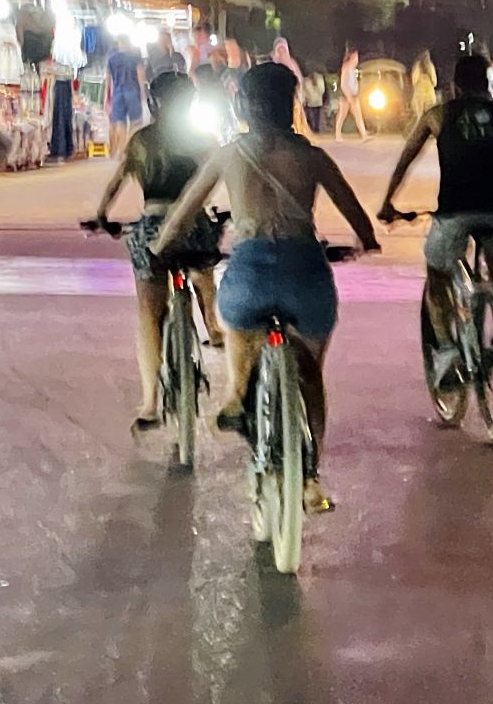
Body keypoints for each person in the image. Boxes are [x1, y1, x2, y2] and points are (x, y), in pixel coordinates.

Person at [154, 63, 380, 513]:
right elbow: (355, 213)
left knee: (235, 322)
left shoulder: (229, 154)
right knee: (311, 371)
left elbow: (184, 209)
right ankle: (310, 476)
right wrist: (366, 242)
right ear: (291, 105)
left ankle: (238, 393)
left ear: (242, 107)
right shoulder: (313, 157)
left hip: (250, 271)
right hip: (305, 273)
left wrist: (162, 247)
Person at [377, 54, 493, 376]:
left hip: (455, 209)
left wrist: (388, 203)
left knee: (437, 271)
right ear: (487, 82)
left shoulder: (438, 115)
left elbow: (406, 159)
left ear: (454, 85)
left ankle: (448, 352)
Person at [86, 71, 224, 426]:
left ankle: (149, 403)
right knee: (204, 262)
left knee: (149, 315)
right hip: (194, 226)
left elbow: (116, 184)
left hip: (150, 228)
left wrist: (102, 217)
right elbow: (219, 183)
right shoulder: (205, 140)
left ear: (153, 102)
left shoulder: (141, 140)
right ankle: (211, 322)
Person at [104, 35, 146, 151]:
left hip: (117, 92)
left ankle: (121, 150)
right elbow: (140, 75)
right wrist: (143, 92)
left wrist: (107, 97)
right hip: (132, 90)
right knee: (135, 122)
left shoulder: (111, 58)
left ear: (119, 43)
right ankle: (130, 148)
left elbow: (108, 80)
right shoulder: (136, 57)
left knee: (120, 123)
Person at [334, 46, 369, 141]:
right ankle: (337, 134)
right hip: (346, 95)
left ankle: (364, 135)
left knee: (358, 115)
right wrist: (349, 96)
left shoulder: (353, 69)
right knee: (342, 115)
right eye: (355, 57)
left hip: (353, 94)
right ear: (351, 57)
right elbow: (343, 84)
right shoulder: (346, 68)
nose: (357, 59)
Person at [409, 51, 439, 121]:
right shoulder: (430, 66)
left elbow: (414, 80)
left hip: (419, 93)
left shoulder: (417, 66)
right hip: (428, 92)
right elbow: (434, 82)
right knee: (430, 114)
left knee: (419, 116)